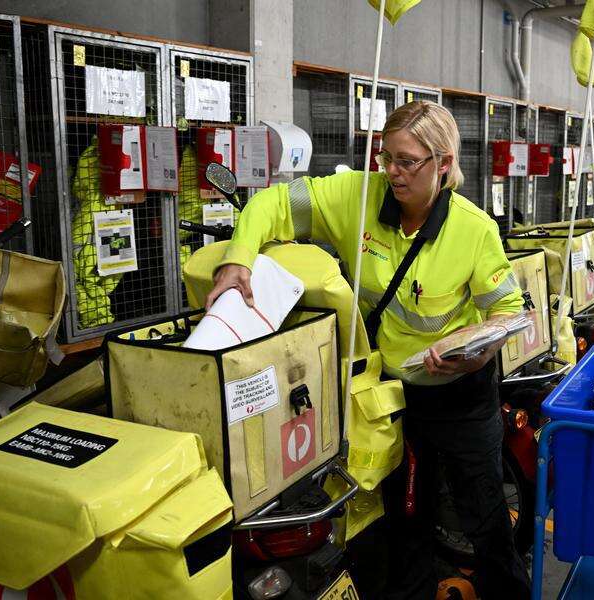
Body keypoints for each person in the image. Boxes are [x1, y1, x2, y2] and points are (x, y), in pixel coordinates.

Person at [206, 101, 531, 599]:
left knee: (485, 519)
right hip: (392, 400)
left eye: (407, 161)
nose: (391, 173)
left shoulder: (474, 230)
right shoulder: (358, 196)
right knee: (405, 518)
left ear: (444, 163)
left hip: (461, 398)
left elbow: (509, 310)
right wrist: (238, 260)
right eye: (385, 157)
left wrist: (479, 352)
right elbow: (274, 203)